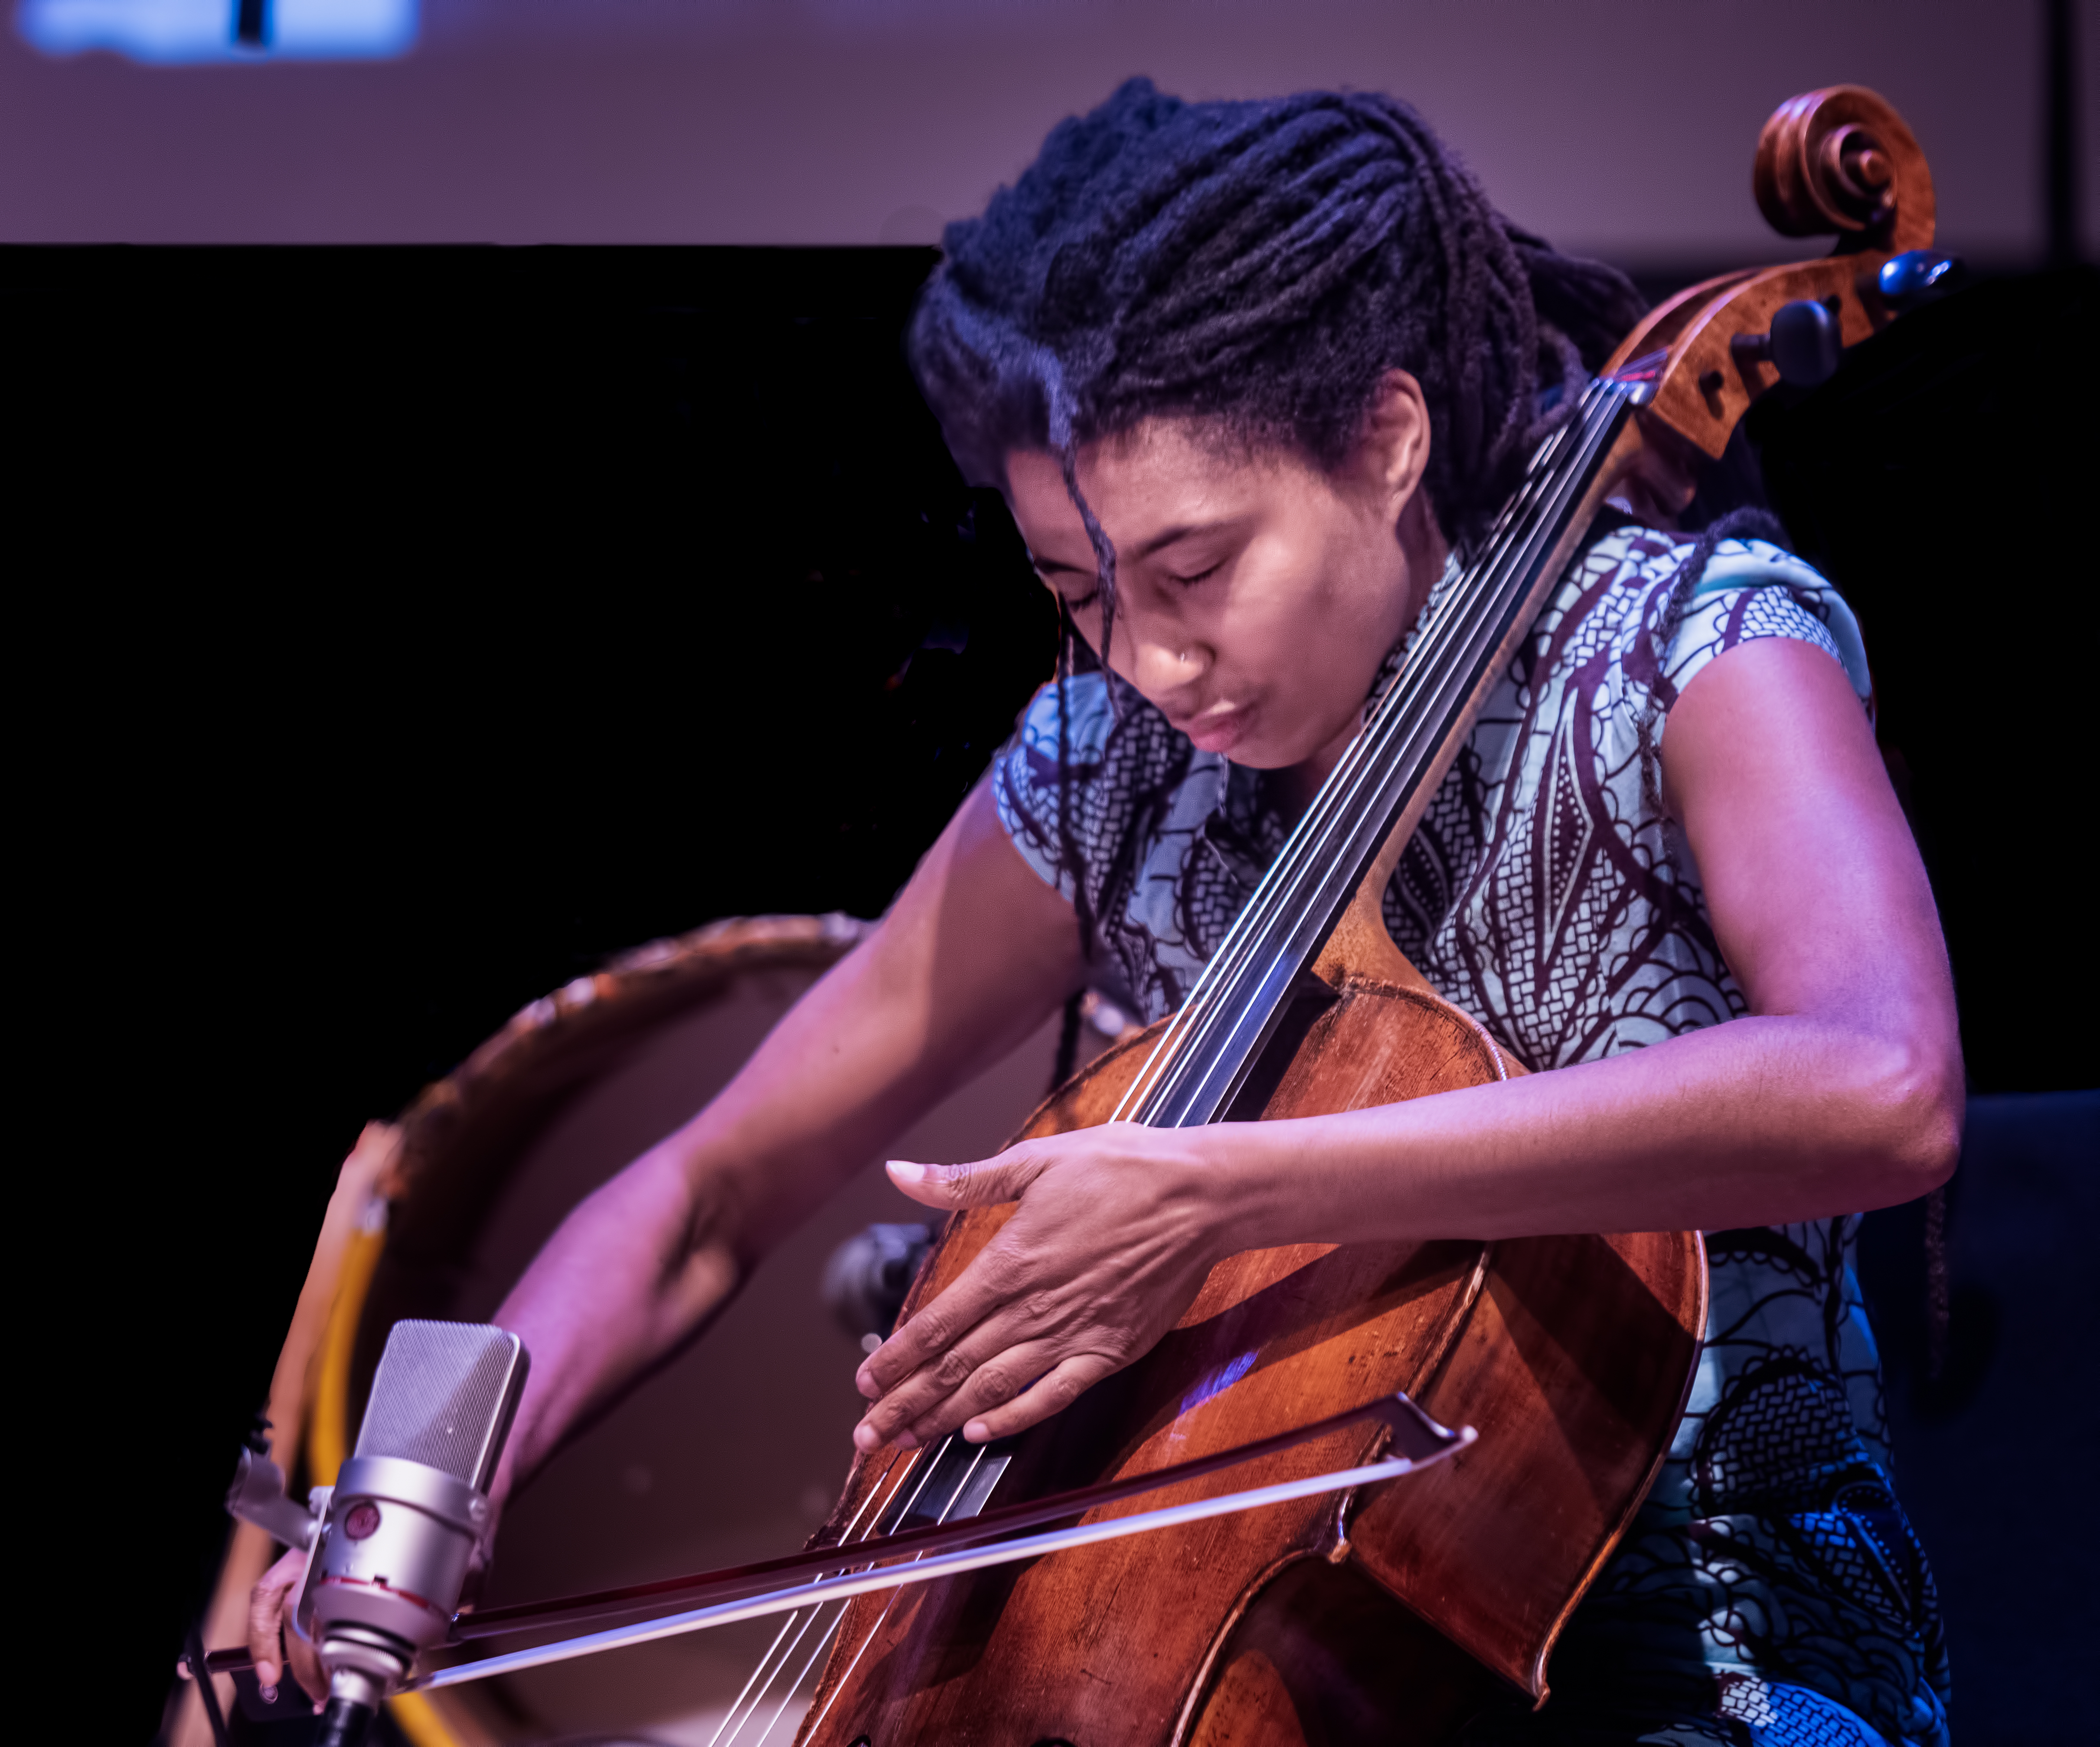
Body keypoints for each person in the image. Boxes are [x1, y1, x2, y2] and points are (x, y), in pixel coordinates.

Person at [251, 81, 1960, 1746]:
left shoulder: (1686, 643)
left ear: (1385, 437)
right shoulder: (1105, 762)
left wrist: (1213, 1193)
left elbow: (1877, 1083)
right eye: (1076, 592)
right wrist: (416, 1497)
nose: (1141, 661)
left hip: (1711, 1672)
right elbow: (706, 1188)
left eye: (1195, 571)